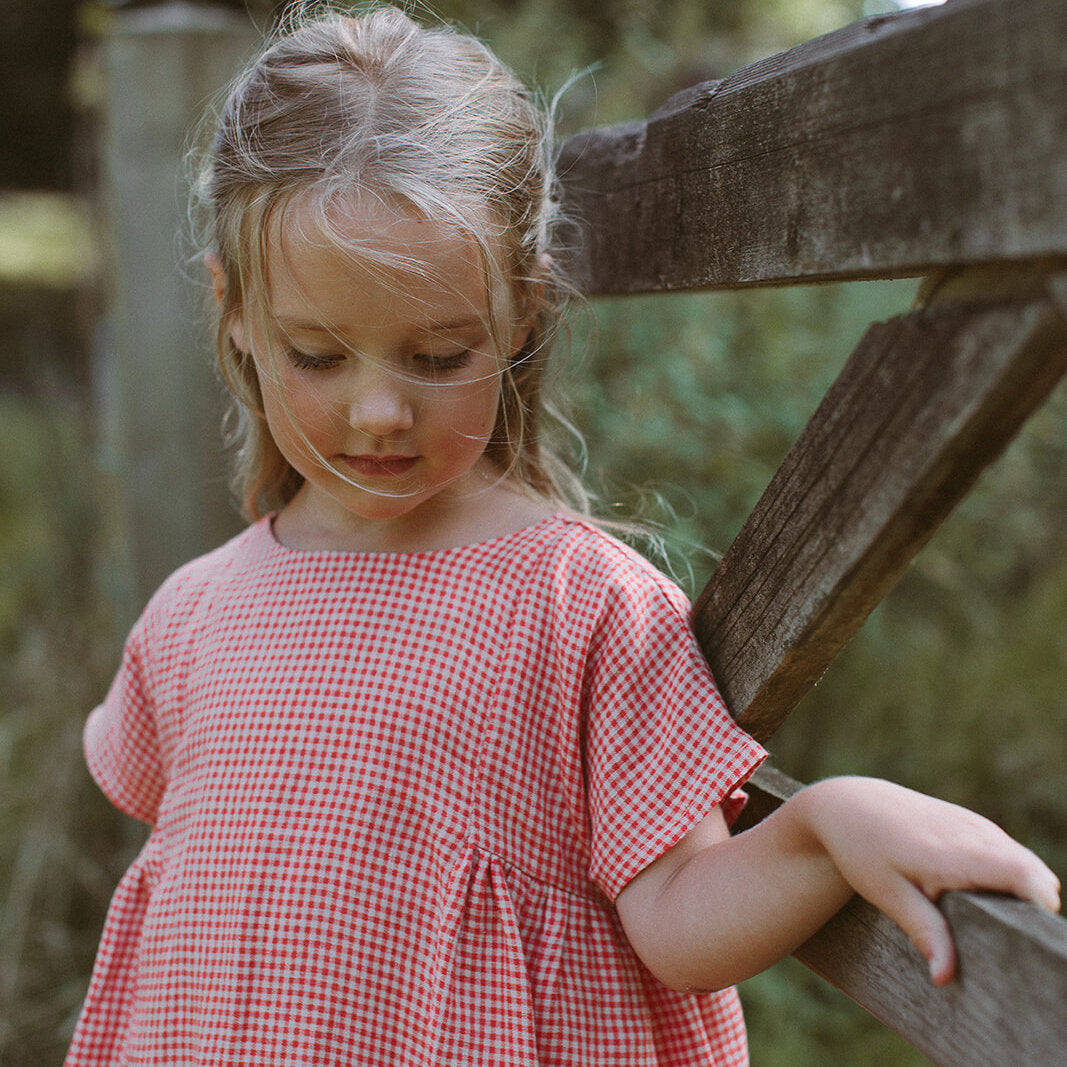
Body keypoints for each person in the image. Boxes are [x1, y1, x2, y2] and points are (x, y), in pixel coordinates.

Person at [67, 6, 1060, 1065]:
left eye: (437, 355)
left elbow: (676, 913)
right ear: (234, 317)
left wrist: (829, 826)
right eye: (316, 354)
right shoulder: (194, 609)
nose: (377, 412)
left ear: (520, 313)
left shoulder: (579, 599)